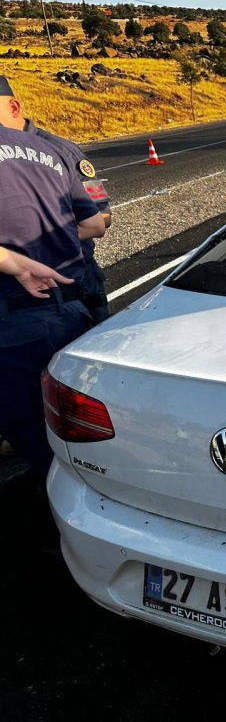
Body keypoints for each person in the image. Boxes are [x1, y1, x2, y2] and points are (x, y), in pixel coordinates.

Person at [0, 125, 105, 488]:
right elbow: (93, 222)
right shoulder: (50, 148)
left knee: (39, 443)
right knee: (80, 433)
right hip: (71, 313)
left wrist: (12, 261)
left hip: (13, 325)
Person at [0, 75, 112, 322]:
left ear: (14, 108)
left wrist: (33, 244)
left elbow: (102, 217)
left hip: (75, 281)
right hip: (16, 292)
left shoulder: (61, 149)